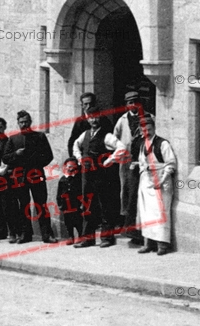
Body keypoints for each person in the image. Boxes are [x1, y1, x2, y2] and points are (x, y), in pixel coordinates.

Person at [72, 108, 126, 248]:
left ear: (100, 117)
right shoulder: (84, 135)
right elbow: (75, 146)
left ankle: (107, 238)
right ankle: (87, 239)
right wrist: (79, 158)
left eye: (96, 117)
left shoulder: (107, 136)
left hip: (102, 177)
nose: (93, 120)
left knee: (105, 206)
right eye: (90, 118)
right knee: (88, 205)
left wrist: (110, 160)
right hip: (87, 176)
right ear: (87, 118)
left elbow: (122, 148)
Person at [3, 110, 58, 244]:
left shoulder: (40, 137)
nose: (24, 124)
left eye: (26, 122)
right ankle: (25, 234)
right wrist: (16, 154)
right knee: (24, 205)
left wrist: (37, 164)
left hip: (36, 175)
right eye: (21, 122)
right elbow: (5, 158)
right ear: (18, 123)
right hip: (20, 178)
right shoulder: (13, 139)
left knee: (41, 204)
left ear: (30, 122)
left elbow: (49, 156)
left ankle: (46, 234)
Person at [130, 114, 177, 256]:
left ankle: (162, 245)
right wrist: (138, 165)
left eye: (149, 129)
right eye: (143, 130)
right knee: (146, 213)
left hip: (161, 183)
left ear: (154, 128)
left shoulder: (163, 144)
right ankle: (147, 244)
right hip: (146, 182)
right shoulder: (142, 144)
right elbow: (144, 162)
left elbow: (171, 164)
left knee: (160, 213)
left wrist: (161, 181)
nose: (147, 133)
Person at [114, 91, 146, 246]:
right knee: (127, 192)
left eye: (135, 101)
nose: (133, 105)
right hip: (127, 163)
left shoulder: (148, 118)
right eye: (130, 102)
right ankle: (129, 228)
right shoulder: (122, 121)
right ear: (126, 105)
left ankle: (140, 231)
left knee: (140, 194)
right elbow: (115, 139)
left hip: (143, 163)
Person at [67, 92, 113, 157]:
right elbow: (72, 142)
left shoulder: (104, 120)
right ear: (82, 106)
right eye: (86, 104)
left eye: (91, 103)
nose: (88, 106)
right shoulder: (80, 121)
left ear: (95, 104)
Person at [56, 157, 83, 245]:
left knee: (78, 220)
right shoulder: (62, 180)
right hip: (66, 205)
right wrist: (60, 204)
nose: (70, 168)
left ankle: (80, 236)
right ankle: (70, 236)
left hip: (76, 204)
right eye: (68, 166)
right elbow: (59, 193)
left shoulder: (78, 179)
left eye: (72, 166)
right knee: (68, 222)